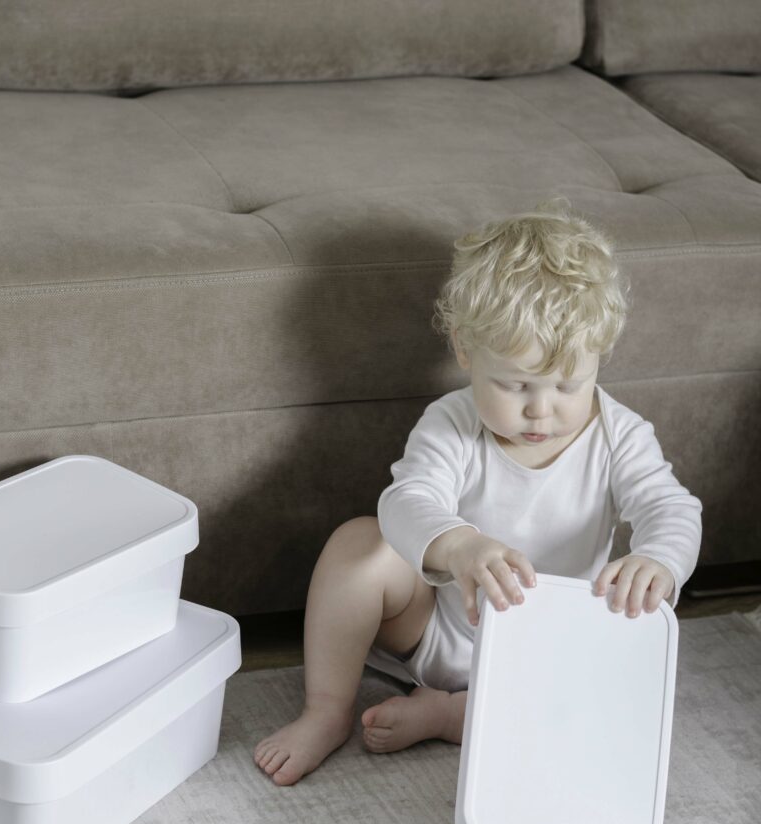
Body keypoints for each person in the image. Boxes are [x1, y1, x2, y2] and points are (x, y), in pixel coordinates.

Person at [253, 198, 703, 787]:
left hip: (546, 652)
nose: (541, 410)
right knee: (356, 543)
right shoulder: (452, 422)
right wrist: (459, 546)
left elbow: (672, 508)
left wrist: (658, 560)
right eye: (514, 385)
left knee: (613, 692)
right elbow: (405, 502)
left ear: (601, 356)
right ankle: (327, 711)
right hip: (439, 630)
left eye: (569, 384)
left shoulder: (620, 436)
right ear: (466, 351)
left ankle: (447, 715)